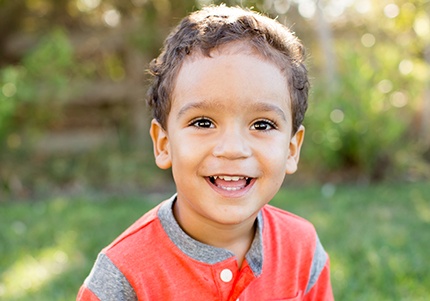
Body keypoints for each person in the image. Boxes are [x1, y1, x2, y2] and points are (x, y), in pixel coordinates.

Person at [77, 4, 334, 301]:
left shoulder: (303, 249)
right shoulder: (122, 278)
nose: (233, 149)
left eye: (262, 124)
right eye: (203, 122)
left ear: (291, 149)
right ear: (164, 144)